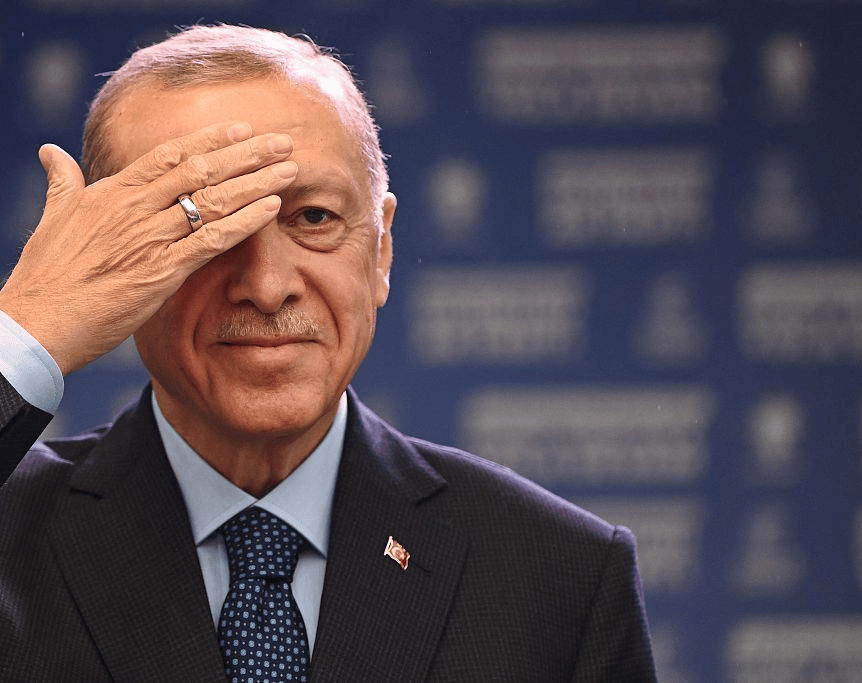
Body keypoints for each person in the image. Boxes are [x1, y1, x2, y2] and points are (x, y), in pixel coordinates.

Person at [0, 25, 656, 682]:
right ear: (110, 259)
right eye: (204, 224)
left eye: (314, 217)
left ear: (381, 250)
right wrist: (27, 331)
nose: (266, 286)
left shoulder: (562, 576)